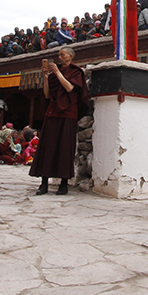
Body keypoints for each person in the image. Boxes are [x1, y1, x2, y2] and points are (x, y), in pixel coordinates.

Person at [29, 46, 89, 195]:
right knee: (46, 147)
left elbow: (69, 88)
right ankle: (44, 184)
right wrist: (45, 77)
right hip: (52, 112)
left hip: (68, 113)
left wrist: (56, 72)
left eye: (62, 55)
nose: (59, 57)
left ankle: (64, 184)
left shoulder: (76, 72)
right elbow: (47, 95)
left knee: (65, 149)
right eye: (59, 55)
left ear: (70, 56)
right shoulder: (55, 74)